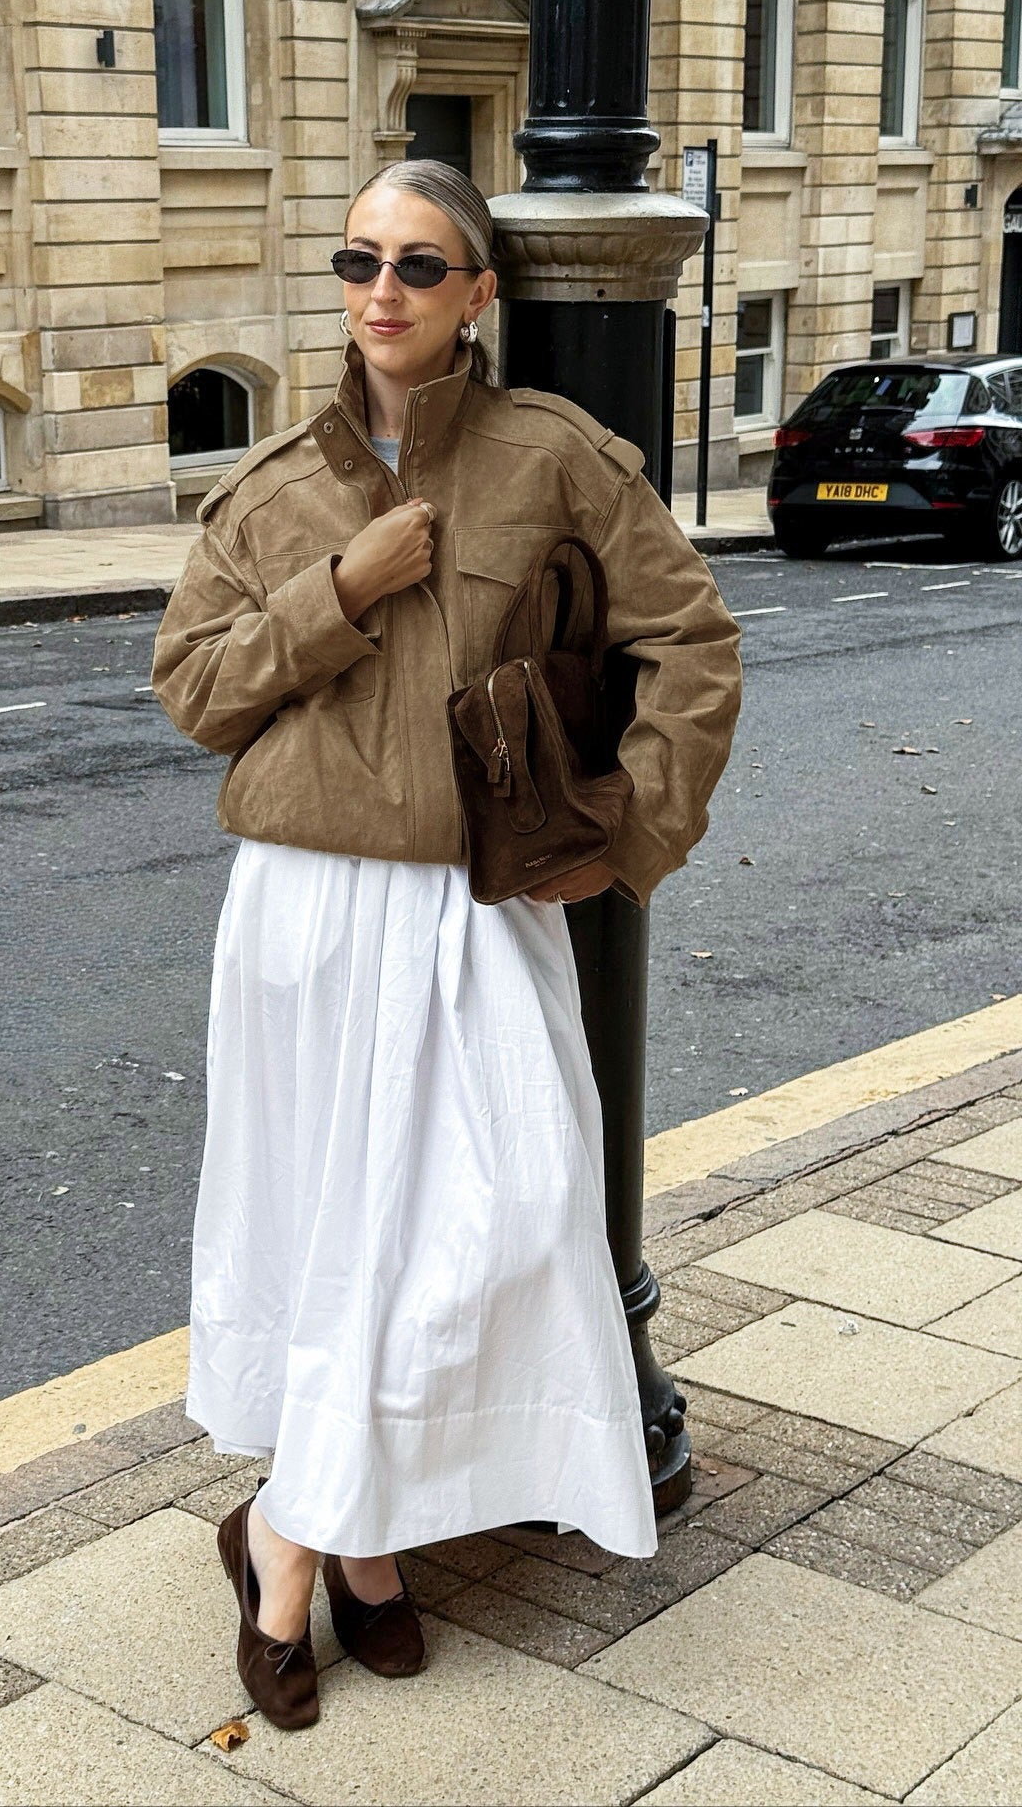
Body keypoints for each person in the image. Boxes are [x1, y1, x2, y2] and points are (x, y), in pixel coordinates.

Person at [151, 158, 742, 1730]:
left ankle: (285, 1530)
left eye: (421, 263)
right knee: (335, 1243)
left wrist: (629, 829)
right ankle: (347, 1554)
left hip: (476, 911)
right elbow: (195, 690)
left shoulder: (555, 458)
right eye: (360, 260)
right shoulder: (273, 488)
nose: (384, 291)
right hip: (305, 915)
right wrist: (339, 590)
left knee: (506, 1225)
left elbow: (690, 641)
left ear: (479, 292)